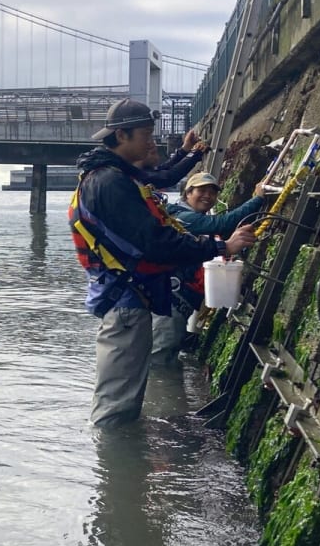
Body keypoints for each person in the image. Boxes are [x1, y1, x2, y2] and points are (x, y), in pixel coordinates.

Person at [69, 98, 257, 427]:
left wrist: (188, 155)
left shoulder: (116, 177)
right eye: (146, 133)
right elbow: (155, 243)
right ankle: (114, 472)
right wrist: (221, 246)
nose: (152, 140)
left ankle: (126, 471)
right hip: (125, 302)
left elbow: (161, 178)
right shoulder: (109, 183)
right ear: (121, 136)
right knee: (115, 409)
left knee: (124, 400)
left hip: (129, 300)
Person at [151, 172, 270, 362]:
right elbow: (222, 223)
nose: (207, 195)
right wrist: (257, 199)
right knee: (159, 360)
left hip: (179, 303)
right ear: (187, 193)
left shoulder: (190, 218)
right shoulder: (183, 217)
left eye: (212, 193)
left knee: (166, 357)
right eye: (201, 190)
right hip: (170, 304)